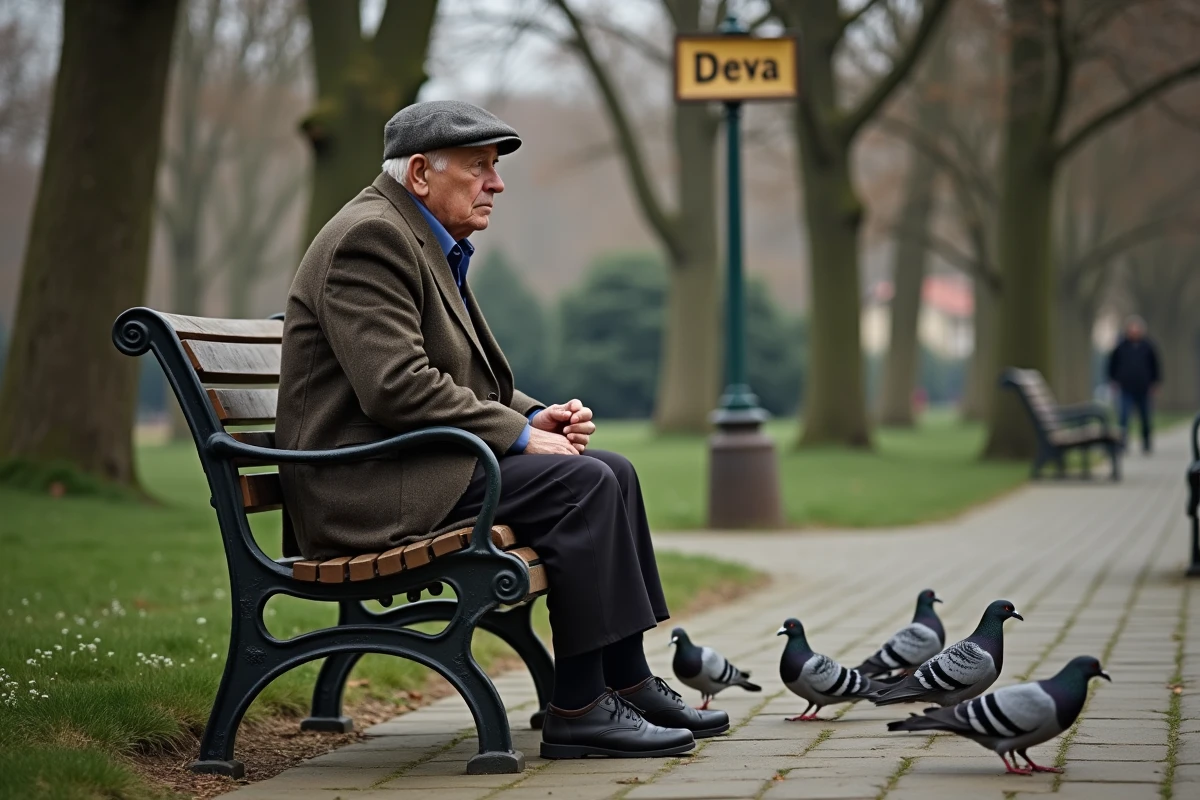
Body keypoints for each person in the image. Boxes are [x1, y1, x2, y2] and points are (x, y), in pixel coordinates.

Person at [275, 100, 727, 759]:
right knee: (580, 486)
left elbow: (456, 372)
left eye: (496, 167)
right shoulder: (368, 240)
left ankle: (624, 681)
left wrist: (532, 417)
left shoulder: (419, 234)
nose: (497, 183)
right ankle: (578, 708)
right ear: (422, 173)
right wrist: (517, 437)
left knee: (613, 473)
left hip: (408, 464)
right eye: (479, 167)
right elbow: (396, 386)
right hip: (362, 488)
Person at [1106, 315, 1161, 454]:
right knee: (1123, 416)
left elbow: (1155, 366)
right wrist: (1113, 380)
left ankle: (1146, 443)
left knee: (1145, 417)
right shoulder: (1120, 347)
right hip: (1126, 388)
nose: (1134, 331)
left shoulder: (1148, 347)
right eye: (1132, 328)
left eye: (1137, 328)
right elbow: (1112, 365)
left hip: (1143, 387)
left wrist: (1155, 383)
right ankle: (1122, 443)